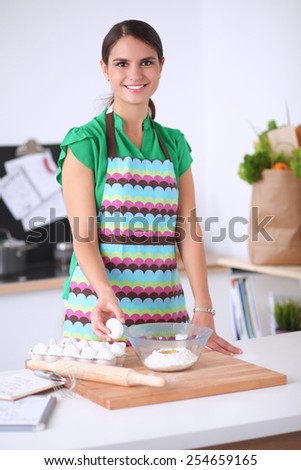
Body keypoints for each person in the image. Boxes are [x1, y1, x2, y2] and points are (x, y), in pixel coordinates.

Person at [57, 19, 241, 356]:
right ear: (105, 69)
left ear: (161, 66)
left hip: (165, 313)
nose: (135, 74)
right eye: (121, 64)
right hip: (101, 312)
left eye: (146, 62)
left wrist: (204, 306)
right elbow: (84, 237)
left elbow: (188, 228)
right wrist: (105, 293)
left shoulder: (174, 144)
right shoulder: (86, 143)